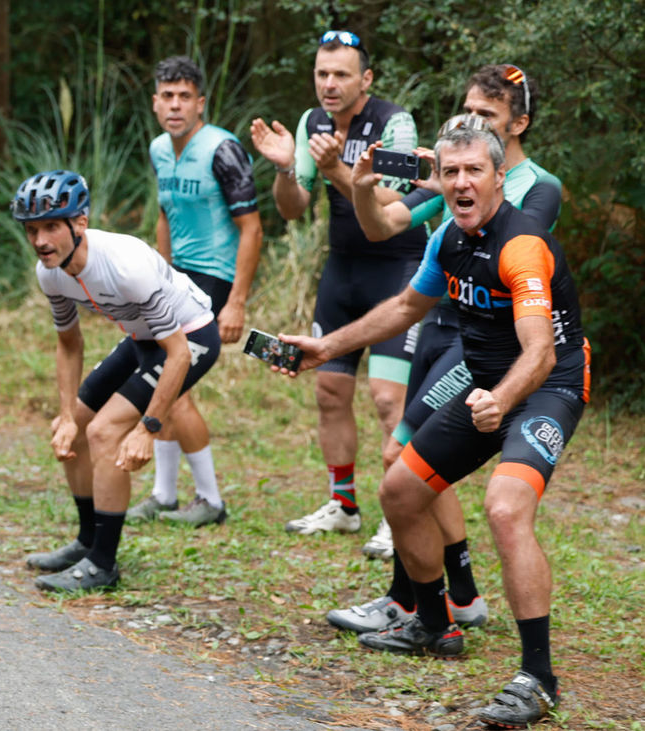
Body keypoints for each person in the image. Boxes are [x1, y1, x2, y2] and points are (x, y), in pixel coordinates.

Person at [273, 123, 589, 728]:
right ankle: (434, 625)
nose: (462, 183)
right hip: (485, 387)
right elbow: (404, 308)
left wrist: (500, 398)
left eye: (474, 171)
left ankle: (538, 679)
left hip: (546, 388)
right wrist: (324, 348)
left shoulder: (521, 245)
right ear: (437, 178)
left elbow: (541, 353)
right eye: (451, 172)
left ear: (499, 177)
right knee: (400, 489)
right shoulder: (447, 237)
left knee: (504, 506)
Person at [329, 65, 561, 638]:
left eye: (486, 114)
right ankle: (449, 598)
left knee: (401, 461)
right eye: (466, 109)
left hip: (480, 342)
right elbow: (385, 225)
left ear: (518, 123)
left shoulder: (535, 186)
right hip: (435, 324)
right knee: (413, 470)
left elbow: (503, 250)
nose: (470, 120)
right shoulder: (455, 171)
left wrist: (452, 185)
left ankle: (424, 601)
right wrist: (354, 182)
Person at [250, 30, 426, 537]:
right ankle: (343, 505)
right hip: (343, 268)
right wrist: (288, 168)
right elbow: (293, 209)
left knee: (390, 399)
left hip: (398, 268)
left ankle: (403, 513)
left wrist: (337, 168)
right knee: (329, 390)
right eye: (322, 74)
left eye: (341, 74)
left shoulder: (394, 123)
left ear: (365, 79)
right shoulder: (312, 122)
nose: (329, 84)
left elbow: (392, 206)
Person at [13, 169, 221, 591]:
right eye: (32, 230)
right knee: (73, 431)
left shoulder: (126, 265)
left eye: (52, 226)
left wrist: (149, 427)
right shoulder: (49, 273)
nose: (41, 241)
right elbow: (69, 344)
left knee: (107, 431)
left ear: (81, 223)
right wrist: (67, 413)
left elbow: (179, 353)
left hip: (191, 337)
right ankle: (87, 543)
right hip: (142, 337)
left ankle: (103, 565)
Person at [125, 55, 262, 528]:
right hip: (175, 275)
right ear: (155, 103)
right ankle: (164, 494)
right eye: (167, 96)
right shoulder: (159, 149)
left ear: (200, 103)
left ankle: (210, 500)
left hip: (215, 278)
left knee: (173, 384)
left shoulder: (222, 149)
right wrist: (156, 276)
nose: (175, 105)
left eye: (185, 97)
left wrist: (237, 302)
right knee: (157, 378)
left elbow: (252, 229)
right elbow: (165, 213)